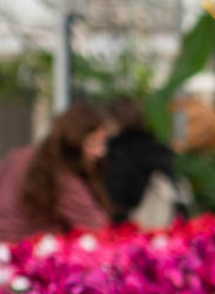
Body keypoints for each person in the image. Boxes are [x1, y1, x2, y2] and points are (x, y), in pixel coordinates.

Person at [0, 102, 111, 242]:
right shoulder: (63, 177)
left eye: (102, 143)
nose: (101, 152)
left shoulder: (17, 156)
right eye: (93, 143)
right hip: (29, 255)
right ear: (73, 143)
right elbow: (98, 228)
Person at [101, 95, 181, 227]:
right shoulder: (158, 149)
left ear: (115, 121)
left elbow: (116, 197)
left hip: (130, 228)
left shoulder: (119, 152)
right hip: (165, 224)